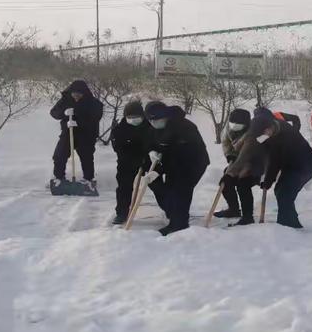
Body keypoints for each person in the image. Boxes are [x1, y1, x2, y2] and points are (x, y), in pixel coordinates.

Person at [144, 101, 210, 236]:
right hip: (172, 164)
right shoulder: (155, 127)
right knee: (164, 188)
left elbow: (179, 156)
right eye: (151, 120)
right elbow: (151, 142)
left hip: (192, 163)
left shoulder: (184, 127)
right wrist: (152, 151)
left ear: (166, 116)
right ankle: (173, 213)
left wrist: (159, 171)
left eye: (156, 119)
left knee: (181, 190)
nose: (154, 122)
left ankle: (179, 224)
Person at [249, 111, 312, 228]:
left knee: (285, 193)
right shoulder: (268, 134)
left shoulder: (285, 132)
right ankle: (289, 221)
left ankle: (288, 226)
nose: (263, 136)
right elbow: (266, 154)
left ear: (269, 126)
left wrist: (268, 180)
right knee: (280, 191)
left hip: (305, 164)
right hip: (290, 165)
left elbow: (275, 161)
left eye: (264, 133)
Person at [50, 80, 103, 192]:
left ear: (84, 93)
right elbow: (54, 112)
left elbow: (96, 116)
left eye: (79, 94)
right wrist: (63, 113)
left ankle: (88, 180)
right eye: (74, 94)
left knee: (86, 157)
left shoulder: (93, 103)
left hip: (86, 134)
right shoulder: (65, 100)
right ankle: (59, 178)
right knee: (59, 155)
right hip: (68, 133)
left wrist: (79, 121)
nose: (76, 97)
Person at [215, 109, 266, 225]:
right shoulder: (229, 129)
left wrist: (235, 170)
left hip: (256, 162)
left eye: (238, 125)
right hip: (238, 160)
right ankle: (233, 209)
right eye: (233, 124)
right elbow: (226, 143)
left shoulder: (254, 132)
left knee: (243, 182)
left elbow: (248, 153)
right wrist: (230, 156)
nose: (234, 127)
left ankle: (248, 216)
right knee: (226, 181)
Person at [110, 101, 153, 225]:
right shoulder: (119, 129)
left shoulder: (149, 127)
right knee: (124, 186)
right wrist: (132, 159)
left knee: (157, 184)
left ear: (142, 116)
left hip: (148, 160)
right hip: (127, 161)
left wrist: (147, 157)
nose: (134, 120)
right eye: (130, 118)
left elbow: (154, 143)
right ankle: (121, 213)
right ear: (125, 117)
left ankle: (171, 211)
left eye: (137, 117)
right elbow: (118, 147)